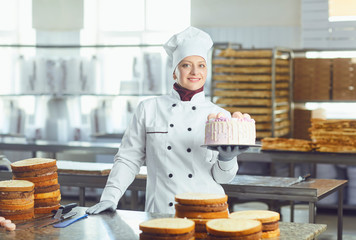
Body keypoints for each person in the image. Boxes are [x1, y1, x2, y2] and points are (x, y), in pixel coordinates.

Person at [86, 26, 247, 215]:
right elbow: (128, 159)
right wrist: (110, 197)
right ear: (174, 72)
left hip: (208, 210)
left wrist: (227, 159)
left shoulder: (220, 116)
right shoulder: (149, 109)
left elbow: (223, 179)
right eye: (186, 64)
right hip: (162, 210)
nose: (195, 71)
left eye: (201, 65)